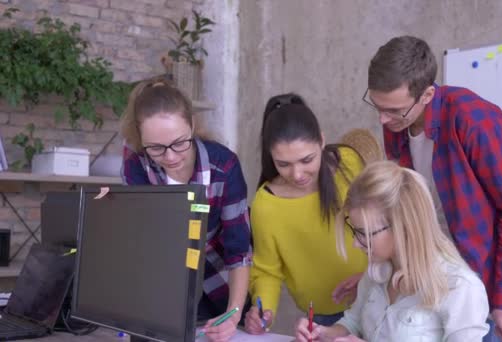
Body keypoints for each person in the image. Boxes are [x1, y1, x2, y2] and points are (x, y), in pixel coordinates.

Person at [362, 35, 502, 342]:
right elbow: (407, 212)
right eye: (378, 106)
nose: (383, 119)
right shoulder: (397, 123)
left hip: (474, 282)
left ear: (427, 95)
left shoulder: (474, 119)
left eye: (394, 111)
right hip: (425, 276)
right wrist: (378, 277)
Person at [295, 161, 490, 341]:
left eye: (364, 233)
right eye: (355, 231)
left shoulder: (460, 288)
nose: (356, 243)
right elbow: (353, 323)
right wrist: (324, 334)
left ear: (404, 227)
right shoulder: (376, 271)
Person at [119, 78, 251, 342]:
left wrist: (233, 315)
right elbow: (145, 243)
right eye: (156, 148)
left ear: (192, 124)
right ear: (140, 138)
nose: (170, 157)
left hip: (221, 287)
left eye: (180, 143)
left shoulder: (223, 166)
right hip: (164, 289)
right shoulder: (136, 166)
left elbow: (239, 252)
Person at [244, 93, 367, 334]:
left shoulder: (348, 164)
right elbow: (267, 271)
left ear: (322, 140)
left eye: (307, 159)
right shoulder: (266, 204)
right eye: (284, 164)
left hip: (375, 298)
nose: (297, 174)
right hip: (323, 318)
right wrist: (264, 312)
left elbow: (385, 223)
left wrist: (368, 277)